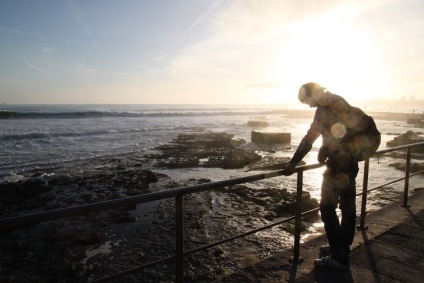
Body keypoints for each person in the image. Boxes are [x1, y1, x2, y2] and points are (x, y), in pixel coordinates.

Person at [283, 82, 378, 271]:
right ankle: (341, 247)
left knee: (327, 208)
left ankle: (339, 257)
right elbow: (342, 132)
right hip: (351, 164)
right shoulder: (336, 101)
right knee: (347, 207)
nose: (309, 106)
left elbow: (311, 137)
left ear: (313, 95)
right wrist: (325, 146)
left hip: (338, 167)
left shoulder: (326, 108)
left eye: (307, 101)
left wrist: (293, 163)